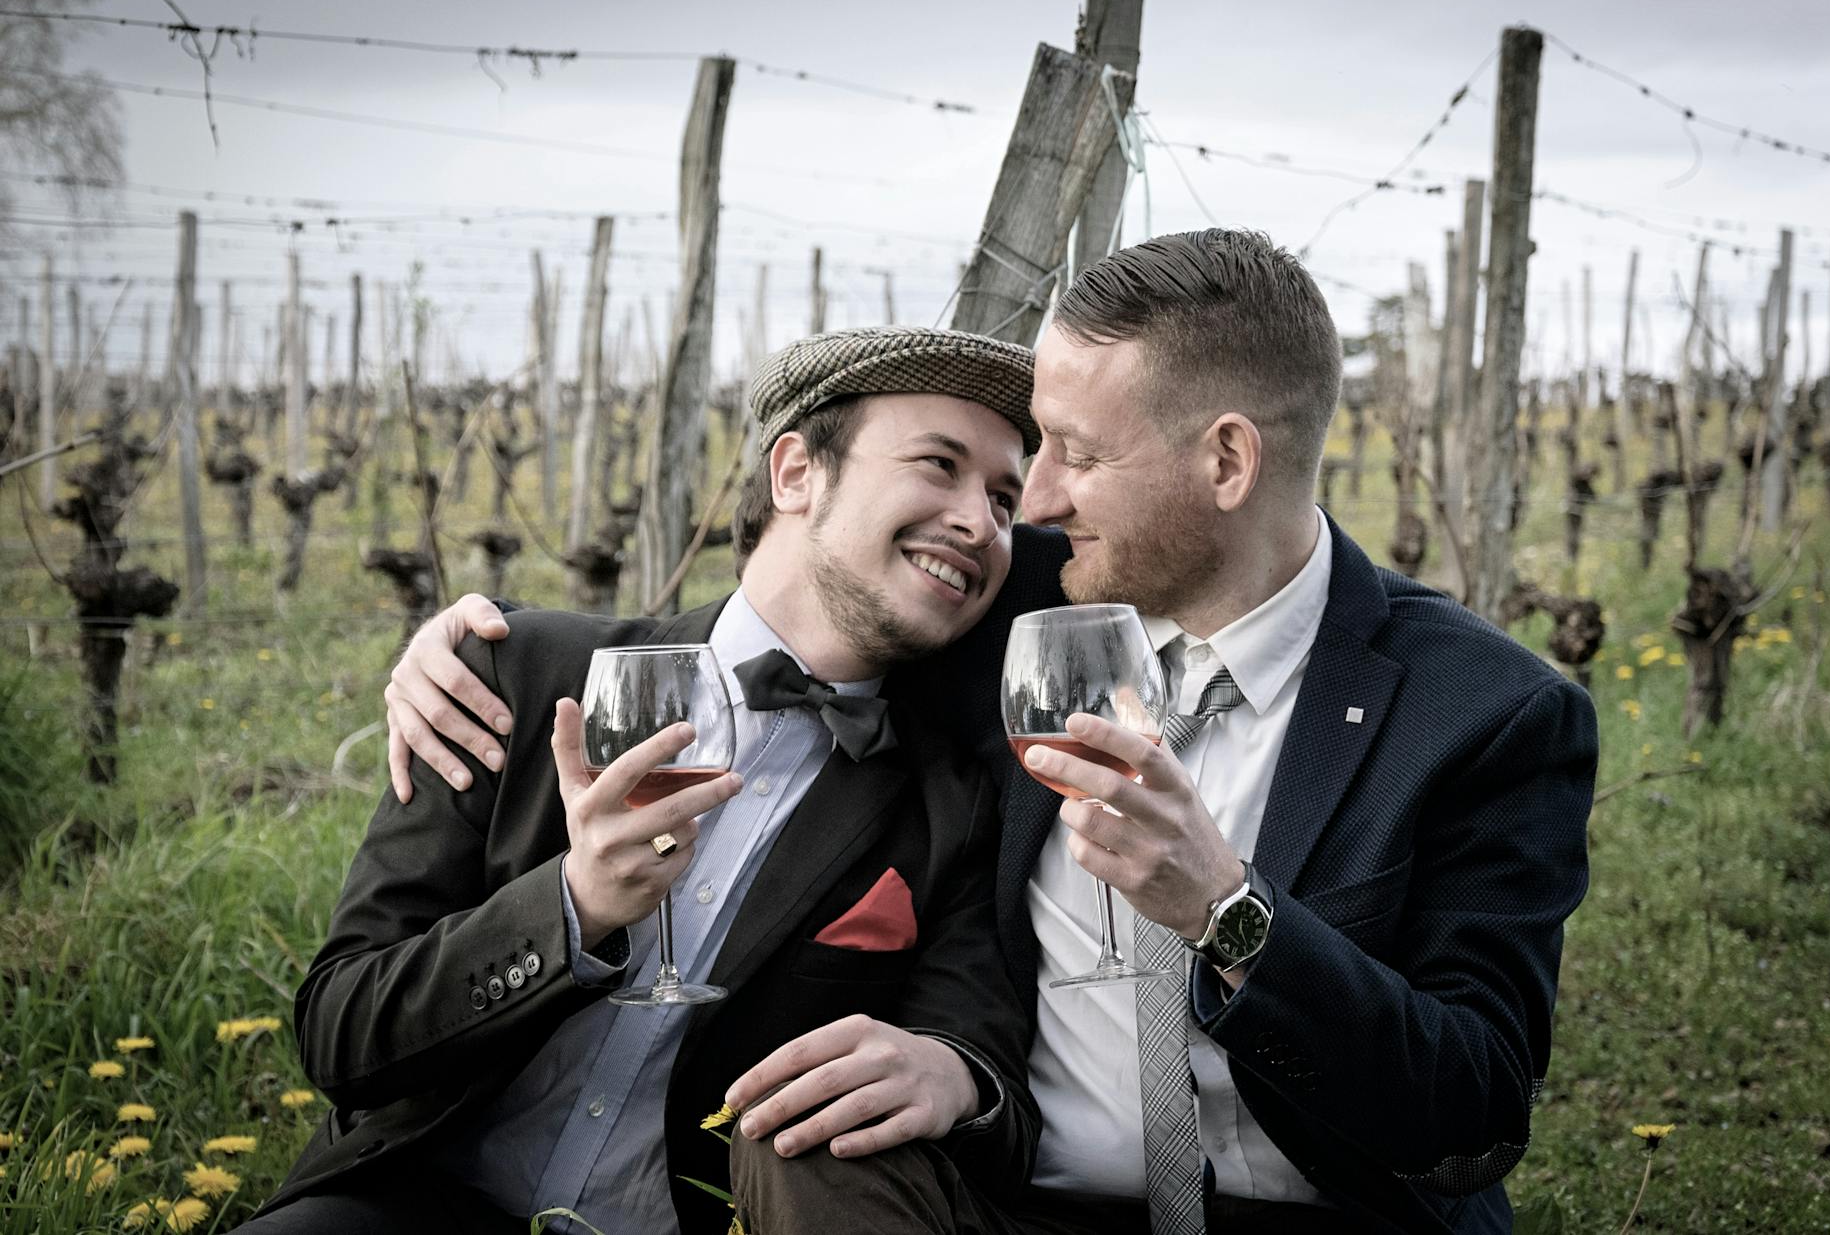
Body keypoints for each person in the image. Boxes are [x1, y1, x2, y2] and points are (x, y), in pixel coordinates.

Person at [389, 230, 1599, 1235]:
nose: (1037, 498)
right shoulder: (1016, 599)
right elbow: (805, 595)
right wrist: (485, 643)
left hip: (1320, 1213)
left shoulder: (1482, 714)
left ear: (1227, 459)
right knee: (815, 1141)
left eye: (1077, 453)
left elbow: (1471, 1111)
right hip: (1017, 1203)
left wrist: (1228, 911)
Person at [245, 327, 1045, 1235]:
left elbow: (989, 1088)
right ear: (795, 473)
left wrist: (954, 1076)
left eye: (1004, 498)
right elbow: (341, 1035)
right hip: (408, 1207)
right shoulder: (513, 676)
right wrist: (571, 908)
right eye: (939, 464)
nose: (980, 522)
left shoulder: (951, 806)